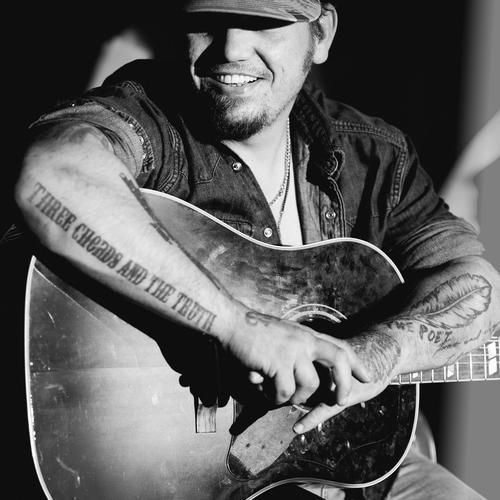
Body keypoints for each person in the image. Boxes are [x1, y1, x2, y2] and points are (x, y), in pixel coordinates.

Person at [12, 1, 500, 499]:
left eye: (263, 23)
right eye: (207, 22)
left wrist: (378, 352)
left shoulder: (374, 156)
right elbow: (52, 176)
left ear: (322, 33)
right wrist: (235, 326)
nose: (232, 50)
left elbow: (478, 290)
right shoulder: (148, 118)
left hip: (357, 471)